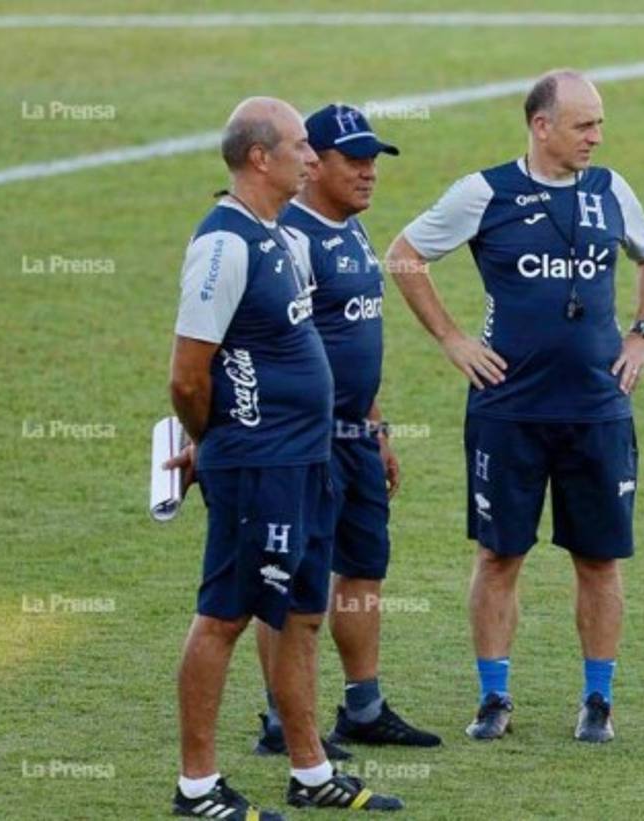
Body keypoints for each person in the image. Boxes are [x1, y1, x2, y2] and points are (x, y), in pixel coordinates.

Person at [384, 70, 644, 743]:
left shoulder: (610, 191)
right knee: (497, 555)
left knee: (599, 559)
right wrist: (454, 339)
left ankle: (597, 699)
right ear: (542, 127)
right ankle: (493, 696)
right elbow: (403, 256)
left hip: (598, 411)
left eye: (599, 123)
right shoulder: (486, 192)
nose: (596, 137)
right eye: (583, 125)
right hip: (507, 412)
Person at [166, 96, 401, 817]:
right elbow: (186, 374)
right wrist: (213, 440)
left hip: (309, 461)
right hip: (257, 462)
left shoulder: (280, 238)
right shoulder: (223, 246)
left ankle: (310, 771)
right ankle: (197, 786)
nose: (312, 157)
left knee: (299, 613)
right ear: (260, 158)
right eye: (300, 146)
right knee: (225, 616)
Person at [252, 104, 441, 757]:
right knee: (291, 576)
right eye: (352, 160)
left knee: (364, 567)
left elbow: (353, 341)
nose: (368, 173)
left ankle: (363, 705)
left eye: (373, 160)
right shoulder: (290, 240)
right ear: (312, 165)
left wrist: (377, 425)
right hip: (304, 438)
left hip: (355, 434)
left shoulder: (350, 229)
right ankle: (282, 719)